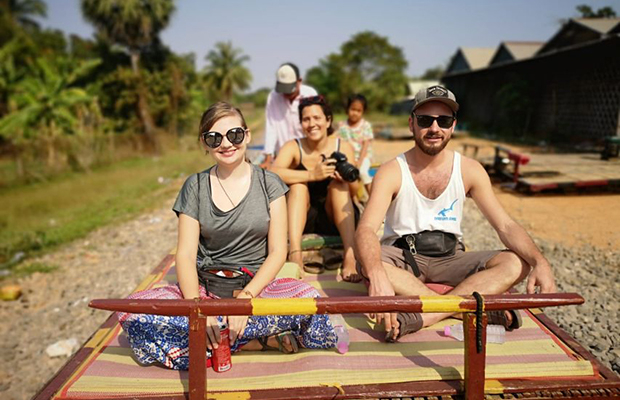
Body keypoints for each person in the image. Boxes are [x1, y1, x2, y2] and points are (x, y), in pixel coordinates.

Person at [118, 102, 336, 370]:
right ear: (205, 144)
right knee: (133, 314)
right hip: (205, 288)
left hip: (257, 289)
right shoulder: (195, 186)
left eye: (234, 134)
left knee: (311, 305)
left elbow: (278, 251)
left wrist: (246, 298)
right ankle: (254, 341)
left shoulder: (270, 184)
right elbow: (185, 254)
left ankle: (213, 342)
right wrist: (197, 308)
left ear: (246, 135)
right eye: (214, 138)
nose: (226, 144)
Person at [354, 85, 556, 342]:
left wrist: (541, 262)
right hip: (403, 256)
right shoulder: (392, 170)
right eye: (425, 120)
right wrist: (376, 272)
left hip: (450, 257)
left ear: (453, 126)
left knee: (517, 262)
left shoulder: (469, 170)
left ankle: (428, 314)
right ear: (411, 124)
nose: (434, 128)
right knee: (367, 262)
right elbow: (367, 229)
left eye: (444, 120)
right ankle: (460, 308)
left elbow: (505, 225)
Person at [270, 96, 361, 282]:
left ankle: (350, 255)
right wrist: (313, 175)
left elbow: (355, 191)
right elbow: (272, 173)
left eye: (317, 118)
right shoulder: (294, 146)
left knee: (339, 186)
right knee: (298, 187)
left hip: (335, 217)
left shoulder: (343, 147)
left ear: (328, 121)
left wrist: (344, 178)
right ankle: (295, 252)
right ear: (301, 123)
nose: (312, 124)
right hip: (303, 219)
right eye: (306, 119)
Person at [260, 63, 317, 168]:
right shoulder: (273, 97)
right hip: (283, 156)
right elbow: (271, 127)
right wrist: (268, 158)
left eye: (290, 90)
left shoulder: (310, 95)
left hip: (307, 154)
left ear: (299, 81)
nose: (286, 94)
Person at [337, 94, 374, 198]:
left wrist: (360, 161)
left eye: (358, 111)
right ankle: (353, 201)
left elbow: (366, 145)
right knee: (344, 174)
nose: (355, 113)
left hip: (363, 157)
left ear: (363, 112)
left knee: (363, 172)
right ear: (347, 109)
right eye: (353, 109)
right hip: (348, 158)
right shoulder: (342, 125)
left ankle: (373, 198)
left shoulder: (365, 125)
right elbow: (338, 142)